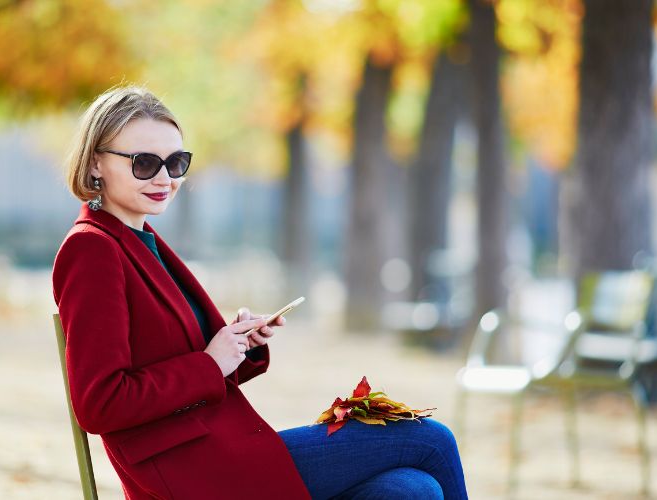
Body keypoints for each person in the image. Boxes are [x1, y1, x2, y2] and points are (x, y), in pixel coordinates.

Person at [51, 85, 469, 500]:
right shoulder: (93, 248)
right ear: (95, 164)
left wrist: (237, 346)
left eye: (176, 162)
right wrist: (210, 364)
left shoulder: (140, 240)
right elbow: (100, 403)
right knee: (430, 440)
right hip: (191, 473)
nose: (165, 178)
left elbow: (176, 358)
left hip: (220, 450)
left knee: (412, 490)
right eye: (144, 163)